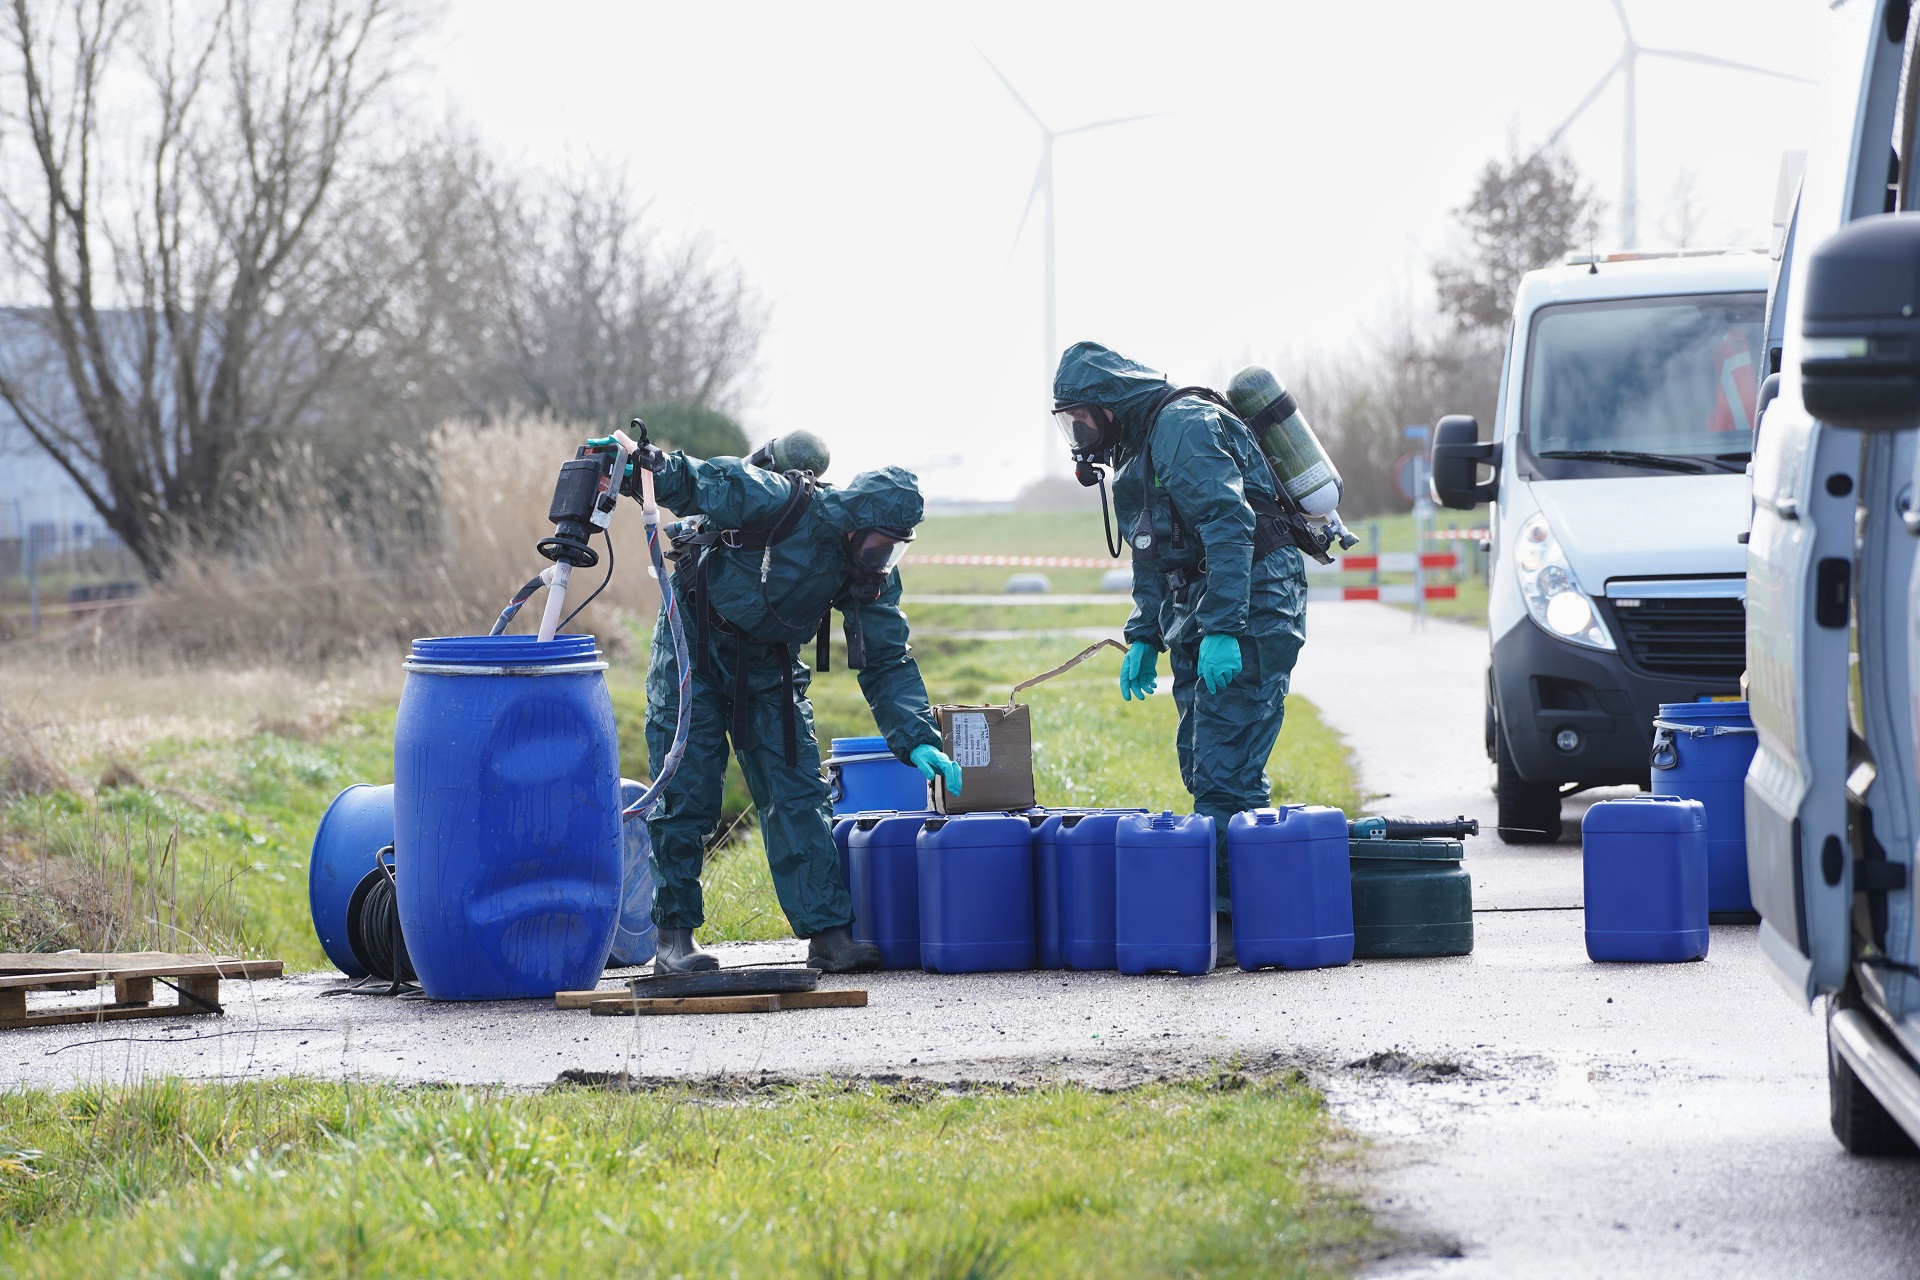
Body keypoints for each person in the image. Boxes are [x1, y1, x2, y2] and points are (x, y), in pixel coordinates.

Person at [626, 441, 962, 974]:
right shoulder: (779, 501)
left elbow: (886, 659)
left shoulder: (865, 575)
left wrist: (916, 735)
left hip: (770, 666)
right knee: (687, 791)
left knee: (799, 793)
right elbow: (703, 481)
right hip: (694, 645)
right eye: (878, 545)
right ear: (855, 523)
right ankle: (674, 938)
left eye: (894, 550)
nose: (881, 560)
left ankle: (829, 936)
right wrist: (645, 467)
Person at [1051, 342, 1308, 966]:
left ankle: (1227, 921)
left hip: (1251, 603)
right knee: (1204, 763)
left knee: (1225, 772)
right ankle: (1250, 912)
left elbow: (1228, 523)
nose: (1077, 434)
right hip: (1208, 606)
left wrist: (1224, 626)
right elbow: (1150, 551)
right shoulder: (1139, 449)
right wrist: (1143, 634)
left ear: (1110, 406)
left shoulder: (1182, 427)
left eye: (1080, 418)